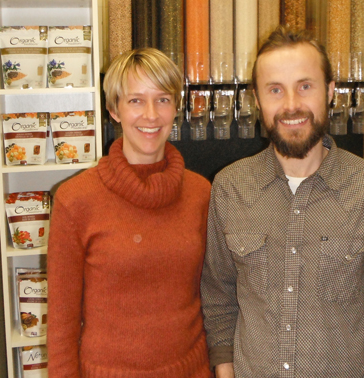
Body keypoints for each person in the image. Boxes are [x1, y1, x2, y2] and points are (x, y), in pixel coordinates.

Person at [200, 26, 364, 378]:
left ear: (329, 91)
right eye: (275, 90)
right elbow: (218, 293)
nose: (291, 105)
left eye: (305, 86)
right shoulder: (229, 188)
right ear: (257, 99)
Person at [47, 48, 213, 377]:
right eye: (136, 100)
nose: (151, 115)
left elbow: (215, 297)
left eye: (163, 99)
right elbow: (61, 325)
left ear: (176, 107)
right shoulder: (75, 200)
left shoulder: (201, 193)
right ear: (114, 110)